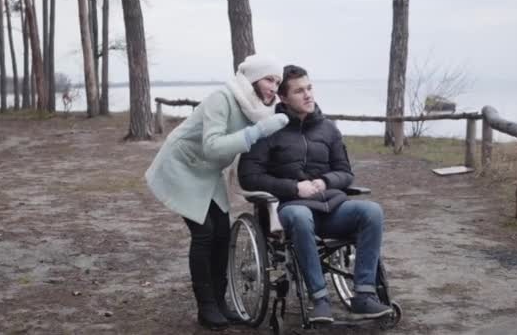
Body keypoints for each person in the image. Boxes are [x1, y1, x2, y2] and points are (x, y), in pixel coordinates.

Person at [237, 65, 393, 323]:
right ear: (283, 98)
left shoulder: (328, 129)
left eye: (309, 88)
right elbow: (249, 176)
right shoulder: (267, 130)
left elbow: (345, 172)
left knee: (372, 211)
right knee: (300, 215)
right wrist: (294, 188)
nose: (308, 95)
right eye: (299, 91)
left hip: (332, 209)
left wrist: (325, 180)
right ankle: (319, 299)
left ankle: (364, 296)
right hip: (290, 209)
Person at [145, 55, 289, 330]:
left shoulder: (259, 109)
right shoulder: (222, 98)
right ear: (253, 79)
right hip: (182, 164)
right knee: (204, 232)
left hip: (209, 173)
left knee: (223, 232)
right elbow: (212, 146)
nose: (274, 86)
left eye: (278, 81)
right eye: (269, 79)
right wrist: (256, 133)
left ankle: (221, 302)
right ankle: (206, 307)